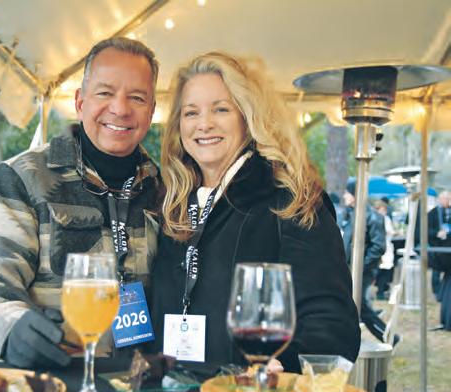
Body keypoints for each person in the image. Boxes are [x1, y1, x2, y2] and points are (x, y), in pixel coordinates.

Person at [0, 37, 161, 368]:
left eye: (137, 98)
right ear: (80, 102)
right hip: (52, 381)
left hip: (139, 383)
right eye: (105, 93)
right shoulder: (22, 177)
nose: (120, 108)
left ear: (151, 111)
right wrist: (10, 328)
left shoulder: (166, 189)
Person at [149, 51, 360, 373]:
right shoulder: (172, 206)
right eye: (191, 113)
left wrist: (280, 367)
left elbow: (331, 324)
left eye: (221, 109)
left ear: (247, 116)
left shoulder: (290, 199)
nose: (204, 124)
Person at [341, 182, 390, 343]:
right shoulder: (351, 214)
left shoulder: (373, 216)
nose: (344, 196)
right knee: (354, 305)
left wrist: (360, 266)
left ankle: (389, 337)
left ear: (354, 195)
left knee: (359, 306)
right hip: (349, 269)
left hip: (363, 270)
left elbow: (378, 246)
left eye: (347, 193)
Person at [427, 190, 451, 299]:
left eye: (448, 199)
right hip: (437, 246)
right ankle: (437, 292)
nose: (447, 201)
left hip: (448, 245)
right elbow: (426, 231)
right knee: (436, 271)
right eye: (445, 198)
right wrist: (437, 233)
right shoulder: (432, 213)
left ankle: (445, 292)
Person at [374, 199, 395, 300]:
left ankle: (382, 290)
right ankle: (380, 291)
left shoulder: (385, 219)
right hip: (381, 247)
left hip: (385, 247)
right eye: (382, 210)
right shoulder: (377, 219)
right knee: (381, 271)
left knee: (384, 270)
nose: (384, 212)